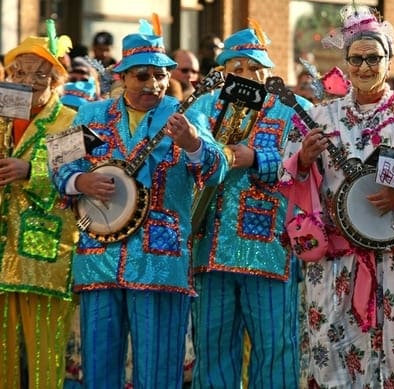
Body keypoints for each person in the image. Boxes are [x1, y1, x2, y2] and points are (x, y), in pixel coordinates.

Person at [280, 4, 394, 388]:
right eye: (356, 58)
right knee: (329, 337)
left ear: (389, 60)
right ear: (346, 62)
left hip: (389, 251)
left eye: (374, 57)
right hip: (335, 255)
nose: (365, 66)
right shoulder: (320, 117)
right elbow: (287, 171)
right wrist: (304, 158)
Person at [51, 24, 228, 388]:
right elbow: (59, 165)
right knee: (99, 367)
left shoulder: (186, 115)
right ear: (122, 77)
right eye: (142, 75)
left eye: (160, 75)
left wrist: (194, 143)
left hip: (160, 260)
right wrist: (81, 182)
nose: (153, 84)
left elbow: (216, 170)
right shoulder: (93, 115)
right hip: (98, 254)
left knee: (160, 368)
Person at [190, 23, 312, 388]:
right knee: (212, 348)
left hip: (272, 250)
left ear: (268, 70)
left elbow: (308, 166)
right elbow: (190, 157)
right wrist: (221, 154)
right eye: (237, 68)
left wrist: (258, 158)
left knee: (276, 347)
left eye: (255, 67)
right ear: (223, 71)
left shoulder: (294, 107)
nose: (246, 75)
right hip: (211, 249)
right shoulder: (205, 105)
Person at [0, 27, 78, 389]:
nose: (28, 81)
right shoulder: (0, 115)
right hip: (2, 249)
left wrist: (30, 170)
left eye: (39, 74)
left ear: (56, 79)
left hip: (45, 251)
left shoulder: (71, 119)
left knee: (46, 354)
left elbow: (76, 176)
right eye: (19, 74)